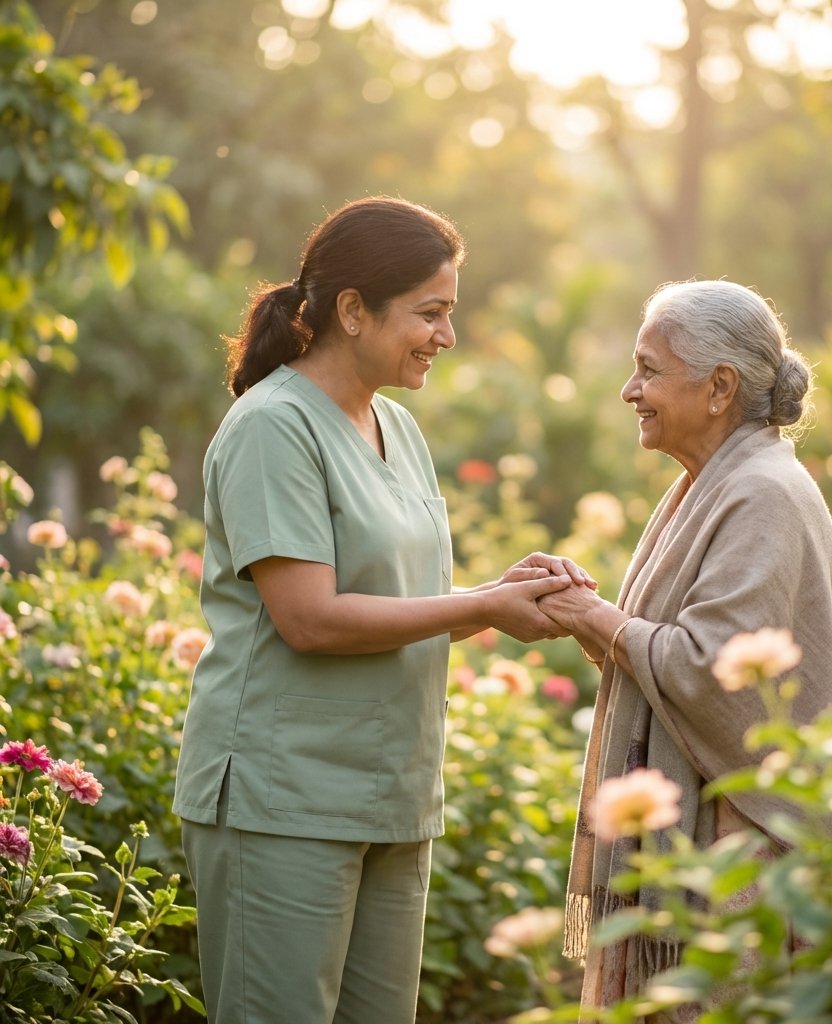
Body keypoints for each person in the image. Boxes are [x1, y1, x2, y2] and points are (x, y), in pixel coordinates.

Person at [171, 195, 592, 1024]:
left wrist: (498, 596)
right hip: (282, 798)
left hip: (392, 795)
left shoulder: (397, 426)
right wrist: (481, 605)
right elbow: (312, 619)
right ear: (353, 310)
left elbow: (408, 605)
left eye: (450, 313)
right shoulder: (273, 427)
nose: (448, 336)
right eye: (430, 313)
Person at [536, 279, 832, 1019]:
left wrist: (596, 618)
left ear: (720, 387)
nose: (631, 389)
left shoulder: (762, 492)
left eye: (649, 369)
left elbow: (707, 671)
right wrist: (590, 613)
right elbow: (659, 660)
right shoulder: (710, 483)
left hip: (741, 859)